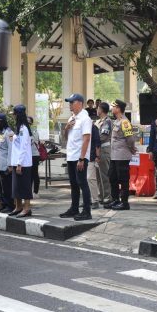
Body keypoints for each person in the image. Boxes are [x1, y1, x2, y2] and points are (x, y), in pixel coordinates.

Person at [60, 93, 93, 221]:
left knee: (82, 183)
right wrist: (66, 128)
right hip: (71, 156)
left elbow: (86, 139)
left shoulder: (85, 119)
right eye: (69, 102)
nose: (70, 105)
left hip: (80, 157)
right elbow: (66, 138)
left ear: (79, 103)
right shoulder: (72, 118)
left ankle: (86, 211)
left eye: (72, 102)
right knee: (73, 184)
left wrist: (81, 158)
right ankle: (74, 208)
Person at [105, 99, 139, 210]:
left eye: (113, 106)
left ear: (118, 108)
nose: (112, 108)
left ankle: (124, 202)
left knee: (123, 179)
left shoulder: (124, 122)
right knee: (112, 177)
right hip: (114, 155)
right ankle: (115, 200)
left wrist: (132, 148)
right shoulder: (116, 121)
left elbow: (130, 138)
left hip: (122, 155)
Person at [9, 105, 34, 217]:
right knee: (16, 187)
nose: (13, 116)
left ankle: (26, 208)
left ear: (18, 115)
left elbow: (23, 147)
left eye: (14, 114)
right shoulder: (18, 128)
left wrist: (19, 164)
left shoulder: (24, 129)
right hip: (16, 162)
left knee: (24, 186)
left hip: (23, 163)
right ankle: (18, 207)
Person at [89, 102, 113, 208]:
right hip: (97, 149)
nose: (96, 110)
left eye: (98, 108)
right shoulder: (98, 121)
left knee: (104, 174)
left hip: (104, 149)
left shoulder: (107, 122)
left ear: (102, 110)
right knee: (98, 175)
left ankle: (107, 196)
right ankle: (101, 195)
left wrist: (94, 139)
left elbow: (103, 136)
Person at [0, 113, 14, 213]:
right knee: (1, 187)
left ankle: (10, 205)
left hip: (5, 165)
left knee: (7, 187)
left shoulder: (9, 133)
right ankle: (3, 204)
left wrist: (10, 165)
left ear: (0, 122)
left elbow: (11, 150)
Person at [29, 115, 41, 196]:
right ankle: (29, 191)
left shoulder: (34, 131)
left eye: (29, 122)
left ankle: (35, 191)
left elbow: (30, 142)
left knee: (34, 173)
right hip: (28, 155)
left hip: (34, 155)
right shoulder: (26, 130)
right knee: (29, 174)